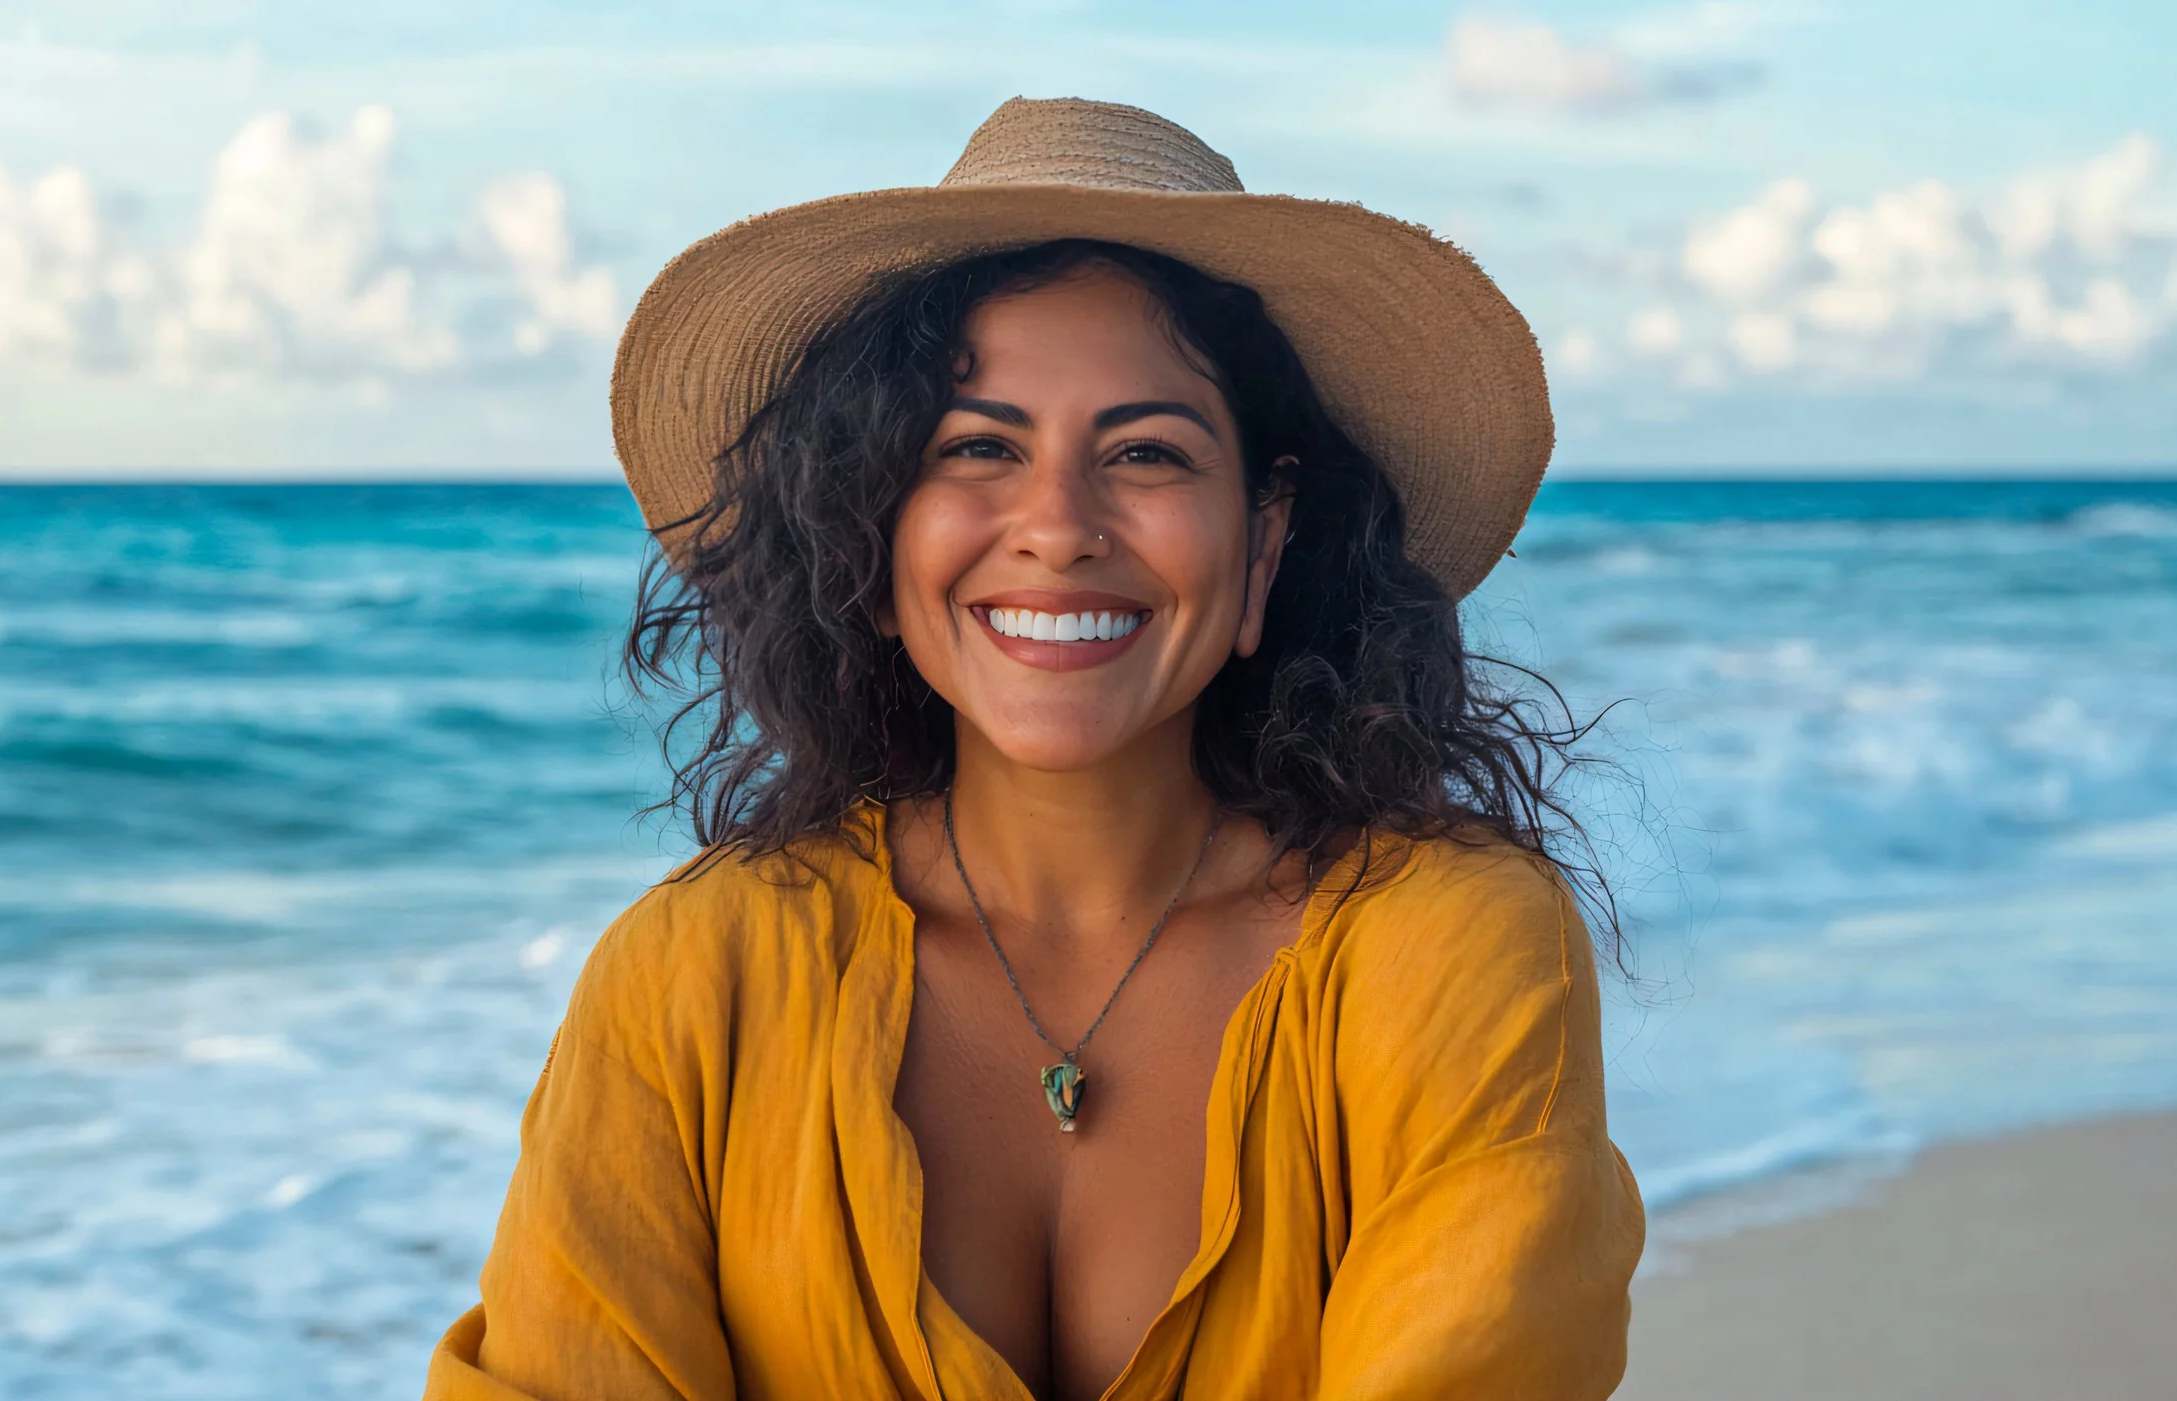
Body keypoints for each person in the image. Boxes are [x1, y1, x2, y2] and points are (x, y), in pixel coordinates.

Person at [425, 96, 1644, 1401]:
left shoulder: (1445, 945)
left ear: (1267, 538)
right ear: (874, 528)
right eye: (978, 447)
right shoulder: (690, 981)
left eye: (1148, 453)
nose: (1056, 526)